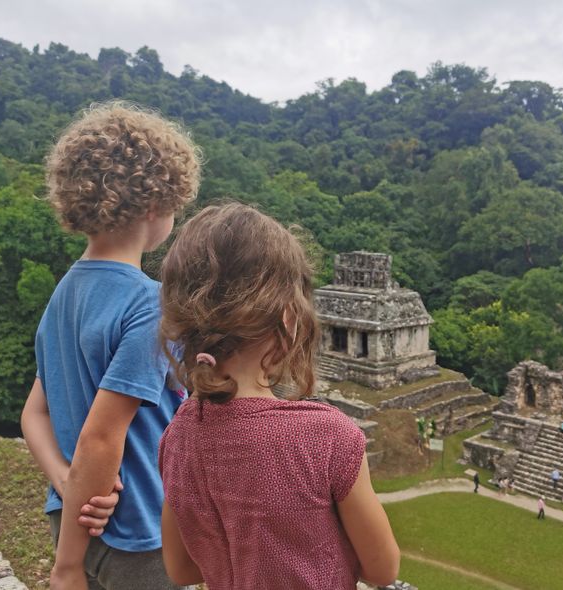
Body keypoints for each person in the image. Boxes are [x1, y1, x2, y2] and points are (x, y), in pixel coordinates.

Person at [157, 203, 401, 589]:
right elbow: (382, 569)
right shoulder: (327, 437)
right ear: (290, 317)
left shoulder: (178, 437)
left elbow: (182, 570)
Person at [20, 102, 201, 590]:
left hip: (72, 518)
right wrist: (65, 569)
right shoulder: (148, 304)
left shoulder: (64, 294)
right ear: (152, 207)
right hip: (137, 530)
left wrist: (63, 480)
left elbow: (33, 414)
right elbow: (101, 439)